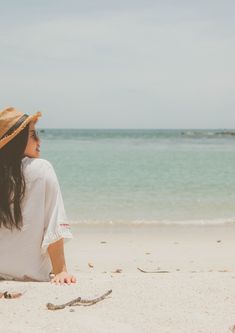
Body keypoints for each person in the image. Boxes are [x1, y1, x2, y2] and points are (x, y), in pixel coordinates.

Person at [0, 107, 76, 285]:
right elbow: (53, 222)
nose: (39, 141)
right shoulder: (42, 168)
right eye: (33, 135)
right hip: (29, 270)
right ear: (17, 141)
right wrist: (61, 271)